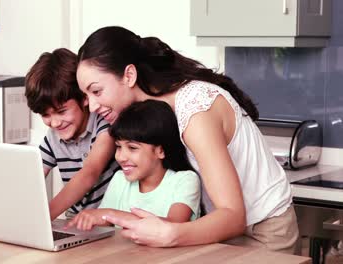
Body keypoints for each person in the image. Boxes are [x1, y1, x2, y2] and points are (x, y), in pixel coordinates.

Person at [75, 26, 299, 254]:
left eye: (97, 91)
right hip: (220, 230)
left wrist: (170, 233)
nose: (92, 106)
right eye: (86, 96)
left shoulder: (195, 110)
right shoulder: (154, 111)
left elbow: (233, 215)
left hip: (265, 233)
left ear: (129, 76)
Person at [66, 100, 200, 231]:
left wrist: (112, 215)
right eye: (118, 147)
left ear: (160, 150)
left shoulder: (185, 180)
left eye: (132, 148)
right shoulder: (120, 179)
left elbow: (173, 226)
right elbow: (103, 222)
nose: (121, 157)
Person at [24, 48, 120, 220]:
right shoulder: (53, 137)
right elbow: (30, 177)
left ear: (84, 98)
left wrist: (45, 217)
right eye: (45, 115)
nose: (54, 123)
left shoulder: (104, 126)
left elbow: (89, 174)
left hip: (108, 224)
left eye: (61, 111)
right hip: (74, 222)